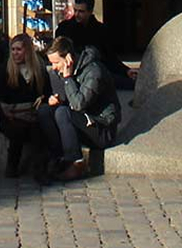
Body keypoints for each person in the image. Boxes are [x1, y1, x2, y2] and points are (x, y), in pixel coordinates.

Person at [37, 36, 121, 182]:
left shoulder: (94, 72)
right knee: (45, 111)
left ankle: (75, 162)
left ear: (69, 57)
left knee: (64, 113)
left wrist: (68, 78)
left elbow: (78, 104)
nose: (54, 67)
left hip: (100, 127)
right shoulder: (59, 72)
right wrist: (55, 100)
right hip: (81, 121)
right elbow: (67, 100)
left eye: (56, 62)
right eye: (51, 63)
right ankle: (57, 157)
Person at [0, 33, 52, 178]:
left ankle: (40, 170)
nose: (15, 53)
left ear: (27, 50)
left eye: (18, 49)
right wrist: (7, 112)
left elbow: (47, 92)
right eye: (13, 49)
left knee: (37, 131)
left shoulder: (39, 70)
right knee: (18, 129)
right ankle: (12, 166)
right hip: (11, 116)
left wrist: (42, 99)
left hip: (32, 113)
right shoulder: (5, 70)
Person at [53, 0, 135, 90]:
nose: (77, 14)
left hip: (97, 69)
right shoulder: (65, 28)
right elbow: (59, 51)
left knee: (129, 83)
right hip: (75, 71)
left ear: (90, 12)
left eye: (81, 11)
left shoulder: (100, 29)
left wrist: (125, 70)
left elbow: (110, 56)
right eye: (75, 10)